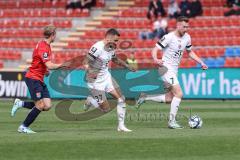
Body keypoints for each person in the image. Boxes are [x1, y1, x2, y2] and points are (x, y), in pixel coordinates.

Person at [136, 16, 208, 129]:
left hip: (174, 70)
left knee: (170, 98)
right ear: (178, 25)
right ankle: (172, 122)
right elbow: (155, 49)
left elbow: (189, 52)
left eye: (187, 27)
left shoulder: (187, 37)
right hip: (165, 68)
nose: (186, 29)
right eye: (184, 26)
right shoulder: (168, 37)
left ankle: (145, 97)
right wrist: (156, 59)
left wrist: (201, 62)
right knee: (179, 94)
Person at [11, 25, 67, 133]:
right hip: (33, 78)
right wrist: (62, 65)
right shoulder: (43, 47)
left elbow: (39, 62)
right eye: (55, 34)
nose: (56, 36)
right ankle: (23, 126)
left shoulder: (45, 45)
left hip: (39, 78)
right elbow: (49, 65)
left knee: (47, 106)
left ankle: (20, 104)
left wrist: (44, 71)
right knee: (40, 105)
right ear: (52, 35)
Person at [83, 28, 136, 132]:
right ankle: (91, 100)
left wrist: (127, 66)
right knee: (105, 109)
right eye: (115, 40)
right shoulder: (97, 47)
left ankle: (121, 126)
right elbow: (85, 62)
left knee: (121, 99)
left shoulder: (111, 47)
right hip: (95, 81)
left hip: (106, 77)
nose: (117, 43)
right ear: (108, 38)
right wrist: (90, 71)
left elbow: (115, 59)